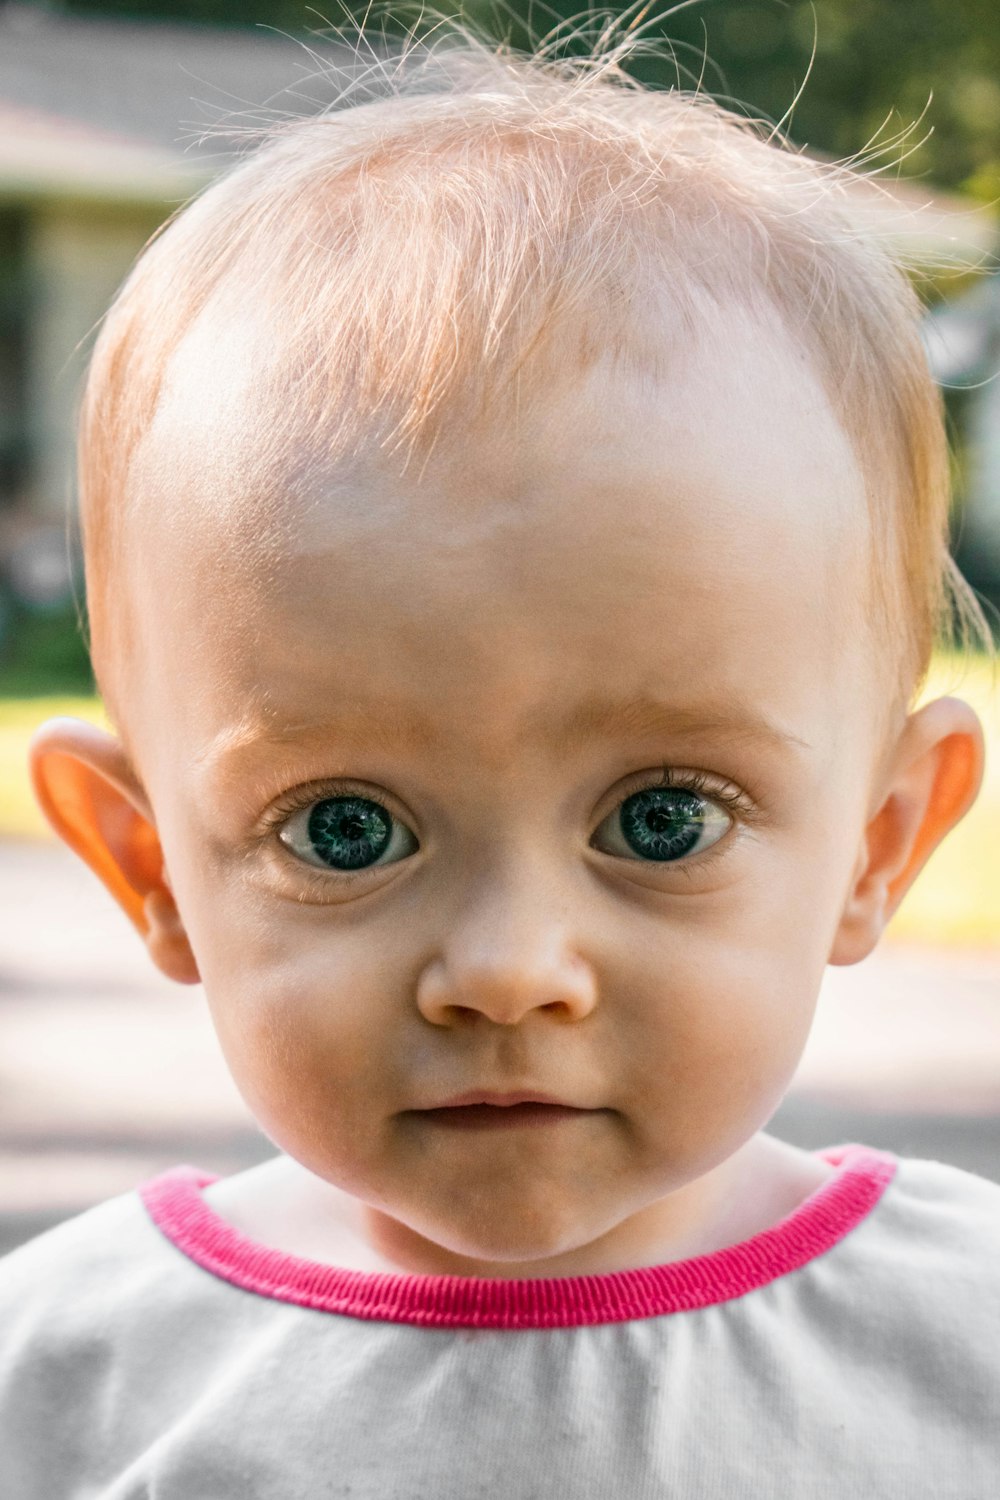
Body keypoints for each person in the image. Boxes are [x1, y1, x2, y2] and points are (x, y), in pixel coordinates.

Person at [1, 26, 997, 1497]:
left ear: (881, 840)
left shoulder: (959, 1347)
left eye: (663, 818)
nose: (508, 967)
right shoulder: (71, 1382)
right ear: (146, 864)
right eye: (342, 829)